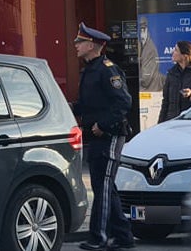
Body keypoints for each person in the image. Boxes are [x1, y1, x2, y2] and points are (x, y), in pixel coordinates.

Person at [70, 22, 136, 251]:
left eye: (80, 42)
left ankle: (99, 236)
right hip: (96, 136)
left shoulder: (107, 69)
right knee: (104, 186)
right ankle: (123, 237)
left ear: (92, 45)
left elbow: (124, 102)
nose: (76, 45)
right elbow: (88, 104)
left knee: (103, 187)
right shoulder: (89, 69)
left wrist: (103, 124)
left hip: (110, 135)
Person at [158, 40, 191, 123]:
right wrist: (160, 124)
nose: (172, 52)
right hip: (171, 122)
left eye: (176, 50)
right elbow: (165, 102)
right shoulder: (171, 73)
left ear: (184, 56)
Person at [138, 17, 164, 92]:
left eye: (144, 31)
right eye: (140, 31)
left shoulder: (150, 49)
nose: (142, 35)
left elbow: (146, 80)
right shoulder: (142, 45)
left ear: (147, 31)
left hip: (150, 90)